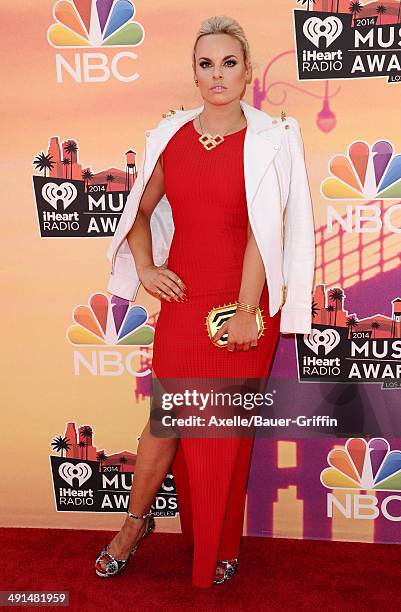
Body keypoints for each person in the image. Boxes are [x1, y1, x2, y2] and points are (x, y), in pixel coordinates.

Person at [95, 15, 315, 587]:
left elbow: (265, 231)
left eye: (229, 63)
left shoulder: (275, 138)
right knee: (165, 422)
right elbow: (138, 212)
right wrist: (147, 266)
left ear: (247, 73)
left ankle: (219, 543)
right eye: (206, 64)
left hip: (245, 300)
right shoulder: (171, 137)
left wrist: (246, 310)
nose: (217, 74)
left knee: (223, 432)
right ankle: (134, 525)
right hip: (186, 298)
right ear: (194, 73)